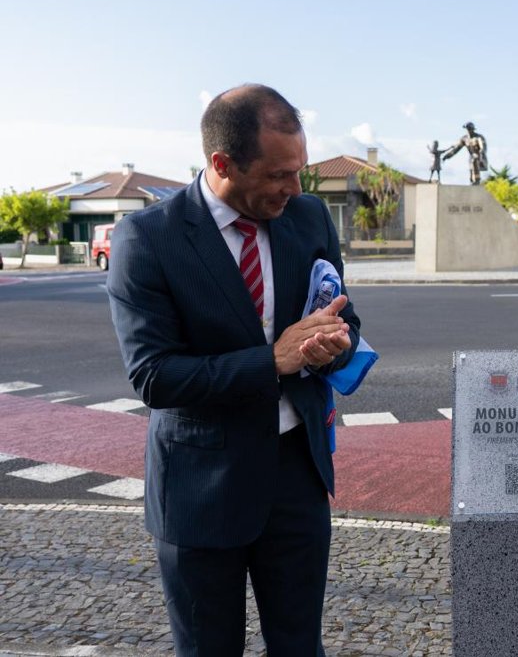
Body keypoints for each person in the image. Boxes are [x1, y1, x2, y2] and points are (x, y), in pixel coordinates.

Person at [107, 84, 363, 655]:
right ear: (222, 163)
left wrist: (332, 345)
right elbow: (154, 376)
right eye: (277, 175)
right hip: (200, 487)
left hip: (297, 477)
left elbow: (346, 321)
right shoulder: (148, 239)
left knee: (300, 647)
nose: (294, 189)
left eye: (299, 171)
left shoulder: (309, 217)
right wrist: (273, 360)